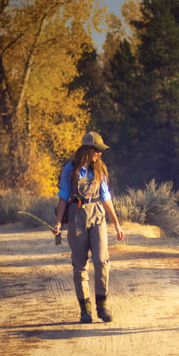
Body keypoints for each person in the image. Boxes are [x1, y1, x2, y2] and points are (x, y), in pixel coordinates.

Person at [53, 131, 124, 323]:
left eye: (100, 151)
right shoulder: (70, 169)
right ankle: (85, 310)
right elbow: (63, 197)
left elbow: (106, 197)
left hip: (97, 215)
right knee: (79, 266)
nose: (99, 153)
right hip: (76, 215)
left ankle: (102, 307)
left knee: (101, 261)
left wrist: (116, 224)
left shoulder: (100, 169)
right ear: (87, 149)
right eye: (97, 150)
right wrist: (59, 222)